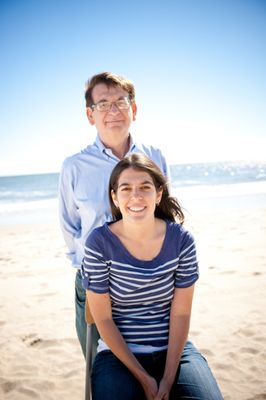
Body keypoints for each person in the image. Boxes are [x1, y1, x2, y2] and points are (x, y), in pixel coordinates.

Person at [81, 153, 223, 400]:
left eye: (145, 187)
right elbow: (102, 318)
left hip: (174, 352)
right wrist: (143, 377)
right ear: (114, 197)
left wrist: (168, 378)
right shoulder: (99, 243)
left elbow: (180, 313)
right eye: (126, 189)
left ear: (158, 194)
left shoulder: (181, 241)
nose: (135, 196)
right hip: (118, 356)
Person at [58, 72, 170, 358]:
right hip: (96, 285)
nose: (113, 111)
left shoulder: (155, 156)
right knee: (101, 372)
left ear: (133, 109)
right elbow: (70, 226)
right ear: (90, 115)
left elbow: (164, 214)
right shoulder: (74, 166)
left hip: (149, 283)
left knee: (154, 363)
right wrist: (86, 269)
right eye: (103, 104)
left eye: (120, 102)